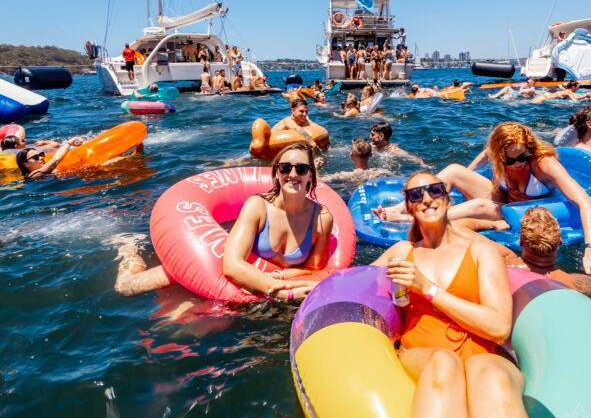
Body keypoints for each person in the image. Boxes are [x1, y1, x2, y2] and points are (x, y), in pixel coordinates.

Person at [373, 171, 539, 418]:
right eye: (416, 195)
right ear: (409, 207)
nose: (426, 199)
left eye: (434, 190)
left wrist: (429, 289)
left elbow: (499, 327)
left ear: (447, 199)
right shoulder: (402, 252)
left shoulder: (481, 252)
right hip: (423, 353)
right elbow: (351, 285)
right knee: (443, 363)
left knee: (488, 373)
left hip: (480, 353)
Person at [377, 122, 591, 277]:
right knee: (454, 170)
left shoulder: (543, 163)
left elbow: (585, 203)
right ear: (500, 154)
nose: (518, 163)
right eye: (510, 160)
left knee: (481, 205)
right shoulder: (496, 153)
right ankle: (404, 206)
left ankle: (411, 219)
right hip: (504, 197)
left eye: (523, 156)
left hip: (520, 210)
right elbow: (476, 164)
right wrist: (456, 188)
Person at [115, 144, 332, 299]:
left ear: (311, 176)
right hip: (214, 261)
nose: (292, 174)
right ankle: (128, 247)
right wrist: (282, 291)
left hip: (263, 281)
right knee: (126, 287)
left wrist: (281, 276)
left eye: (301, 169)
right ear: (276, 174)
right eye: (285, 168)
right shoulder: (257, 206)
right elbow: (231, 265)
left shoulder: (322, 219)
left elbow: (314, 269)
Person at [503, 207, 591, 306]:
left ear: (521, 242)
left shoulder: (504, 262)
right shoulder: (577, 283)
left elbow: (479, 240)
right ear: (560, 242)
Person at [320, 138, 391, 184]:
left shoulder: (346, 176)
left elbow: (319, 181)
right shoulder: (381, 173)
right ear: (370, 155)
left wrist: (316, 168)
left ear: (351, 155)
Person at [16, 137, 82, 179]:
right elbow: (56, 159)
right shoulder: (34, 175)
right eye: (36, 157)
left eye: (41, 154)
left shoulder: (47, 169)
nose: (41, 157)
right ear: (25, 164)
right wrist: (69, 143)